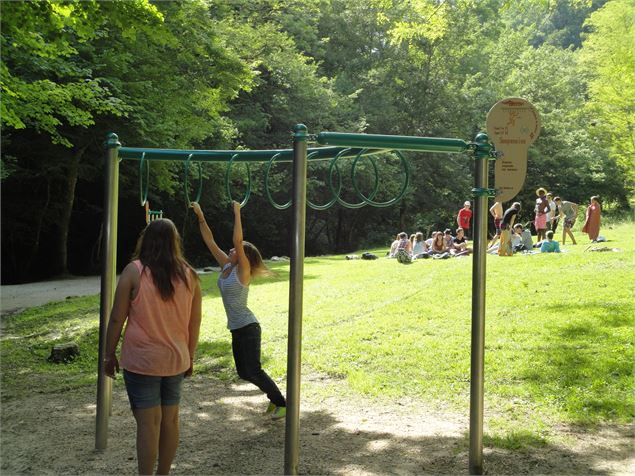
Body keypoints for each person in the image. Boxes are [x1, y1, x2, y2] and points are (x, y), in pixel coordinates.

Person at [104, 219, 202, 475]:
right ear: (175, 242)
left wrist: (108, 353)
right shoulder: (190, 275)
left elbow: (117, 317)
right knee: (170, 421)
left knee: (149, 425)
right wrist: (189, 357)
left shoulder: (133, 271)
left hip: (142, 361)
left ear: (145, 240)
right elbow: (194, 323)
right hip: (175, 359)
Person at [191, 201, 287, 419]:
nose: (232, 249)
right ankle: (275, 399)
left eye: (237, 249)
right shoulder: (227, 266)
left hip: (248, 327)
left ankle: (281, 403)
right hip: (237, 328)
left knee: (253, 370)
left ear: (244, 256)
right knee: (244, 372)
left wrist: (237, 212)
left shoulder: (242, 271)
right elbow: (209, 240)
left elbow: (237, 240)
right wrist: (200, 214)